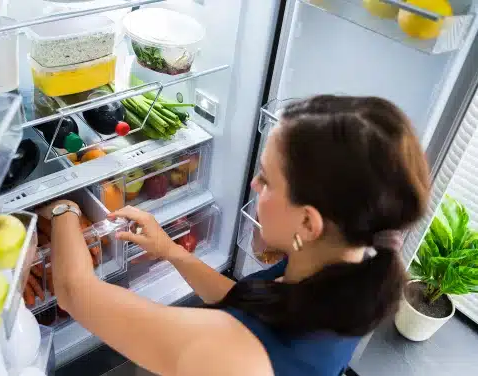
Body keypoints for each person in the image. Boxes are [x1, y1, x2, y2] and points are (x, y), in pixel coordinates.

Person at [37, 95, 430, 376]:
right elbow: (251, 303)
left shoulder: (231, 356)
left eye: (267, 178)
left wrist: (65, 203)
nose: (255, 186)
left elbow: (74, 291)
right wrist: (171, 251)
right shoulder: (352, 265)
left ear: (308, 223)